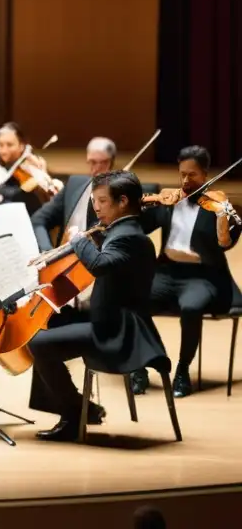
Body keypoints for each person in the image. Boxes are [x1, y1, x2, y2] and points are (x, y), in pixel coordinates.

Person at [29, 170, 166, 442]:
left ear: (123, 201)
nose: (96, 207)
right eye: (94, 200)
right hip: (107, 319)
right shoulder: (119, 230)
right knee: (45, 324)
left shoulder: (129, 237)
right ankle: (75, 408)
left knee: (38, 343)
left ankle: (75, 413)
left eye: (102, 201)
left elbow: (100, 265)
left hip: (117, 332)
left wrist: (78, 239)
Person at [131, 146, 241, 398]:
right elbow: (139, 224)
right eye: (182, 174)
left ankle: (182, 371)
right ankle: (145, 365)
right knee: (134, 300)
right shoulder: (170, 201)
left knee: (191, 307)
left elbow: (225, 243)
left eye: (192, 175)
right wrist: (146, 201)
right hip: (167, 271)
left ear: (205, 174)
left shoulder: (218, 205)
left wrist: (223, 215)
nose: (185, 181)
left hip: (202, 277)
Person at [26, 137, 116, 420]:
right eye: (91, 161)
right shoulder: (75, 185)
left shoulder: (118, 198)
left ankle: (72, 408)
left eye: (101, 163)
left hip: (93, 286)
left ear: (111, 164)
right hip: (62, 278)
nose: (95, 168)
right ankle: (64, 404)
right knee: (37, 328)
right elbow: (39, 219)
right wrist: (46, 251)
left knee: (42, 337)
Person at [0, 122, 60, 317]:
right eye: (1, 144)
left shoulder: (32, 166)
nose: (4, 149)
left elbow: (47, 197)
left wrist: (47, 179)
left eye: (10, 144)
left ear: (23, 145)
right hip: (2, 225)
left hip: (30, 224)